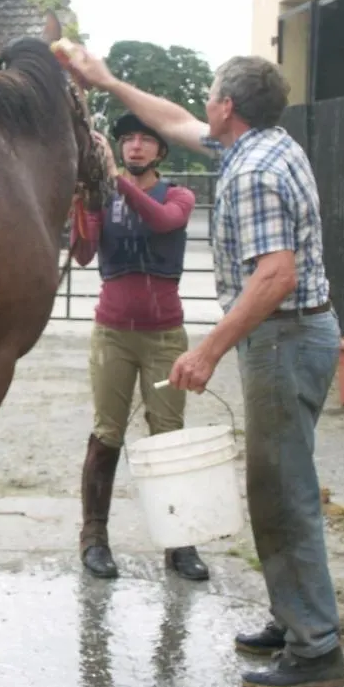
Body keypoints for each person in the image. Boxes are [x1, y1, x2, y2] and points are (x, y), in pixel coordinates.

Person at [65, 48, 344, 687]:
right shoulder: (266, 146)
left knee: (282, 491)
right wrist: (105, 80)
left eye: (210, 98)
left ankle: (315, 651)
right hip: (292, 335)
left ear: (226, 107)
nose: (199, 111)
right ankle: (294, 618)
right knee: (277, 482)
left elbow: (277, 275)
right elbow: (171, 119)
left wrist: (208, 349)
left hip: (284, 338)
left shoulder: (249, 173)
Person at [71, 114, 209, 583]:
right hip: (112, 334)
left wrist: (113, 183)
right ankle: (94, 539)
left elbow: (163, 221)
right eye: (127, 139)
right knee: (107, 432)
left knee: (168, 437)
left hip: (164, 338)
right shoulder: (104, 195)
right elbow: (84, 253)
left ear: (160, 152)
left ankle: (179, 543)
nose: (134, 147)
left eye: (145, 140)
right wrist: (86, 203)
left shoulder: (178, 195)